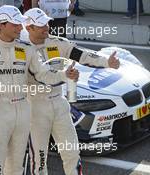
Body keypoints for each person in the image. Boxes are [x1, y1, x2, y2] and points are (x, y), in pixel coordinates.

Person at [0, 5, 79, 175]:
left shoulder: (26, 48)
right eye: (15, 24)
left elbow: (43, 74)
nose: (19, 27)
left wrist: (63, 75)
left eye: (20, 24)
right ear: (1, 25)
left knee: (17, 165)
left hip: (23, 109)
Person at [24, 8, 120, 175]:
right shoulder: (23, 50)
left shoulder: (58, 42)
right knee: (38, 158)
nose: (46, 27)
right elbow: (41, 75)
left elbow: (82, 55)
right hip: (35, 107)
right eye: (40, 25)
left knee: (71, 152)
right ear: (28, 28)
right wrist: (65, 75)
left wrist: (107, 62)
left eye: (47, 22)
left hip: (59, 104)